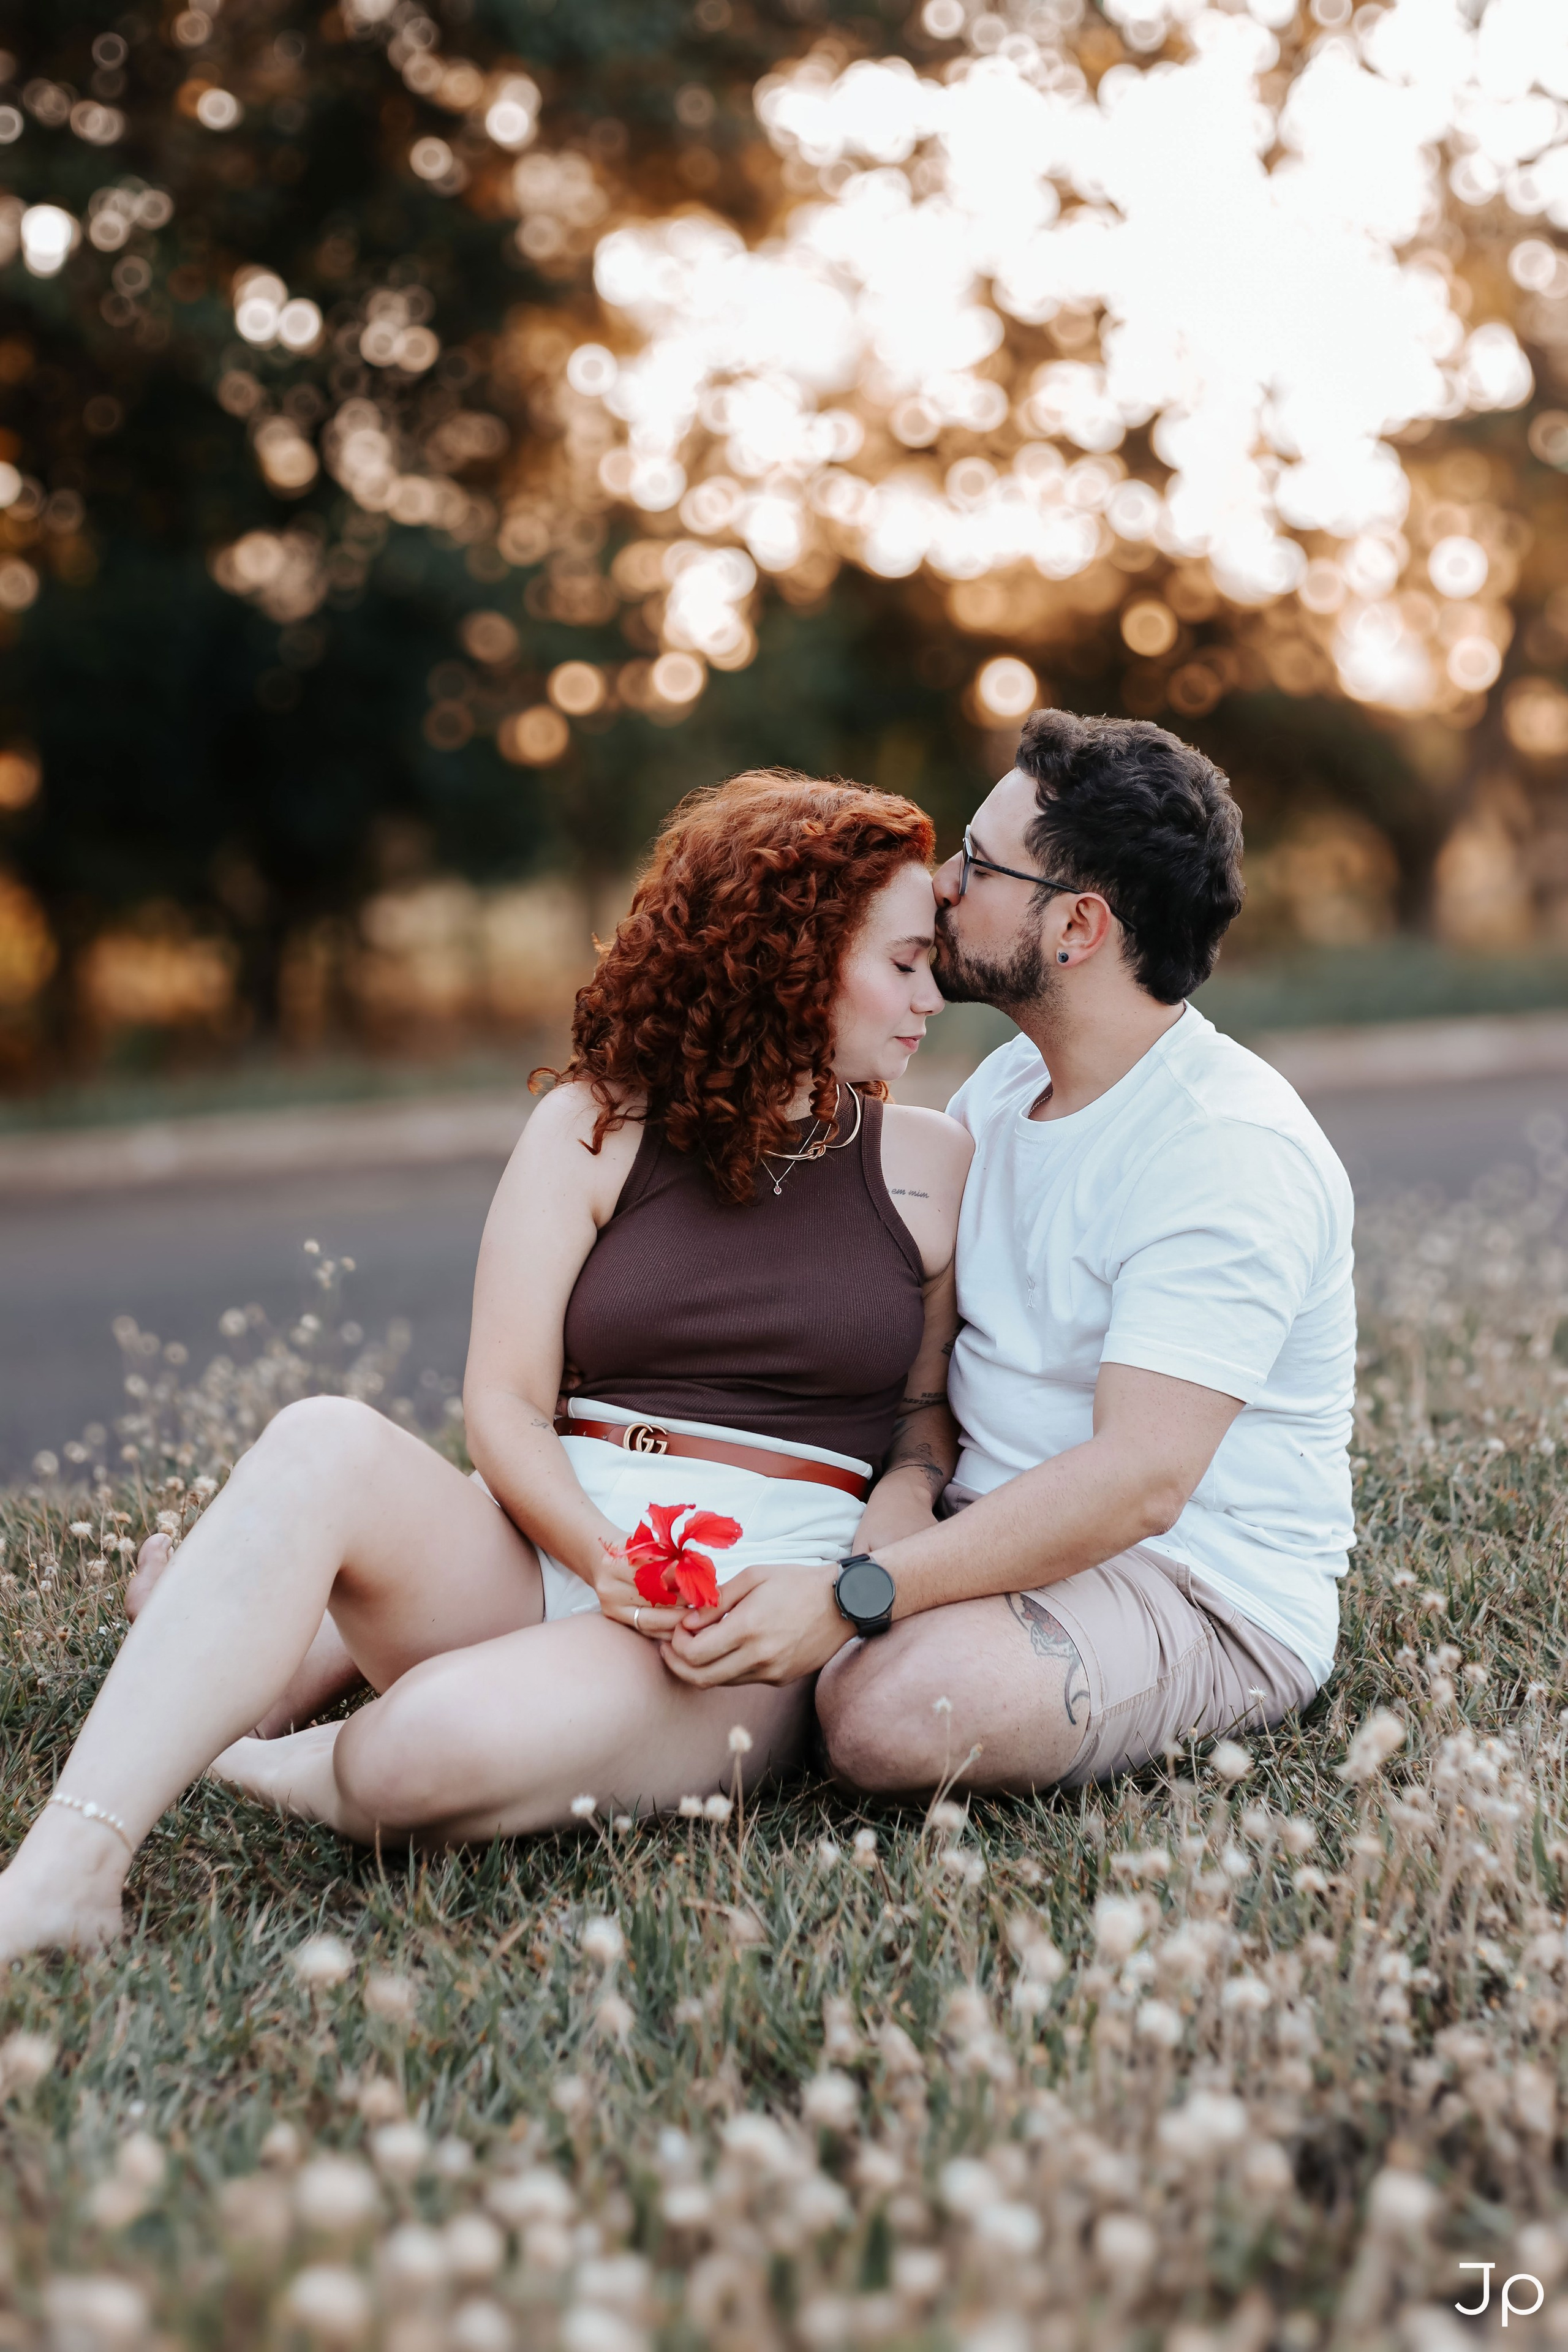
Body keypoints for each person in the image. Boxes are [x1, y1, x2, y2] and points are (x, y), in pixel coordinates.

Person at [0, 770, 971, 1959]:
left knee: (417, 1751)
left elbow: (924, 1427)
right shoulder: (592, 1124)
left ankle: (241, 1740)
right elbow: (504, 1405)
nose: (932, 995)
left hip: (744, 1619)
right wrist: (600, 1558)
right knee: (322, 1437)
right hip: (548, 1536)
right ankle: (64, 1874)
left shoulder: (933, 1162)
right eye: (906, 961)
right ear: (790, 954)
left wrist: (861, 1566)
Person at [661, 710, 1355, 1796]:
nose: (941, 882)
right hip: (965, 1522)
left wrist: (862, 1591)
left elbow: (1138, 1483)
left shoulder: (1227, 1148)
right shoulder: (1001, 1087)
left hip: (1185, 1582)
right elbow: (922, 1368)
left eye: (980, 863)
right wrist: (903, 1485)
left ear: (1077, 927)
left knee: (888, 1712)